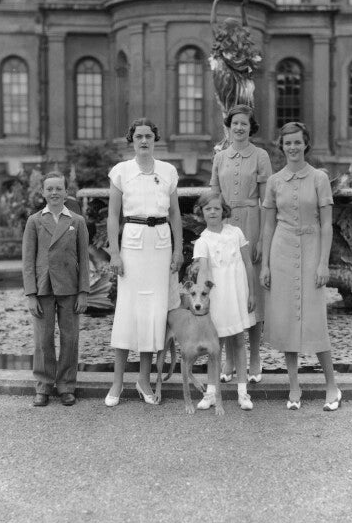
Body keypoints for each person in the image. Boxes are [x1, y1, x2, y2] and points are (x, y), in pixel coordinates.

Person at [260, 122, 342, 411]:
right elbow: (268, 225)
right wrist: (266, 265)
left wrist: (323, 263)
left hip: (311, 248)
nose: (292, 147)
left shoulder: (319, 178)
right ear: (281, 146)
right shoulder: (274, 181)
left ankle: (332, 385)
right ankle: (294, 386)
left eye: (297, 142)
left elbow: (327, 225)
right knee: (286, 322)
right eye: (287, 143)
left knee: (315, 319)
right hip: (281, 251)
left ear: (306, 144)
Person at [104, 118, 183, 406]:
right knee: (127, 311)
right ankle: (116, 383)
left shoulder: (168, 171)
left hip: (160, 245)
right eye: (139, 136)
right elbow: (113, 215)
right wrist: (114, 252)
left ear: (155, 139)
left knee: (154, 313)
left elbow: (175, 214)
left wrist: (178, 250)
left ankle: (143, 380)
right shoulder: (121, 172)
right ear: (132, 140)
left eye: (149, 135)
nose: (144, 141)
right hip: (132, 244)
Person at [210, 104, 272, 384]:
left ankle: (255, 356)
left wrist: (260, 239)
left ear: (251, 127)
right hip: (224, 226)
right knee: (225, 291)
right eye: (235, 123)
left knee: (252, 292)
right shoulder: (220, 158)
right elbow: (213, 197)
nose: (239, 128)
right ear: (228, 126)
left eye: (244, 124)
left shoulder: (260, 156)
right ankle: (231, 359)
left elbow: (268, 202)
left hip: (251, 222)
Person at [22, 171, 90, 407]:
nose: (54, 193)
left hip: (70, 288)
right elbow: (28, 261)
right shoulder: (34, 221)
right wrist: (31, 294)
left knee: (70, 338)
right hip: (43, 288)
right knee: (43, 338)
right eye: (49, 189)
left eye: (58, 188)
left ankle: (67, 386)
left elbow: (84, 259)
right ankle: (43, 385)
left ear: (66, 192)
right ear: (42, 193)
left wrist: (83, 292)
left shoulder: (77, 221)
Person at [192, 189, 256, 411]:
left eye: (216, 208)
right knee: (214, 347)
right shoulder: (202, 241)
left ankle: (242, 392)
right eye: (207, 209)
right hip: (217, 299)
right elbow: (203, 272)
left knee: (238, 342)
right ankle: (211, 392)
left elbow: (247, 264)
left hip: (237, 294)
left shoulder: (236, 233)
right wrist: (201, 299)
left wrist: (252, 293)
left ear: (223, 210)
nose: (212, 212)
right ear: (202, 212)